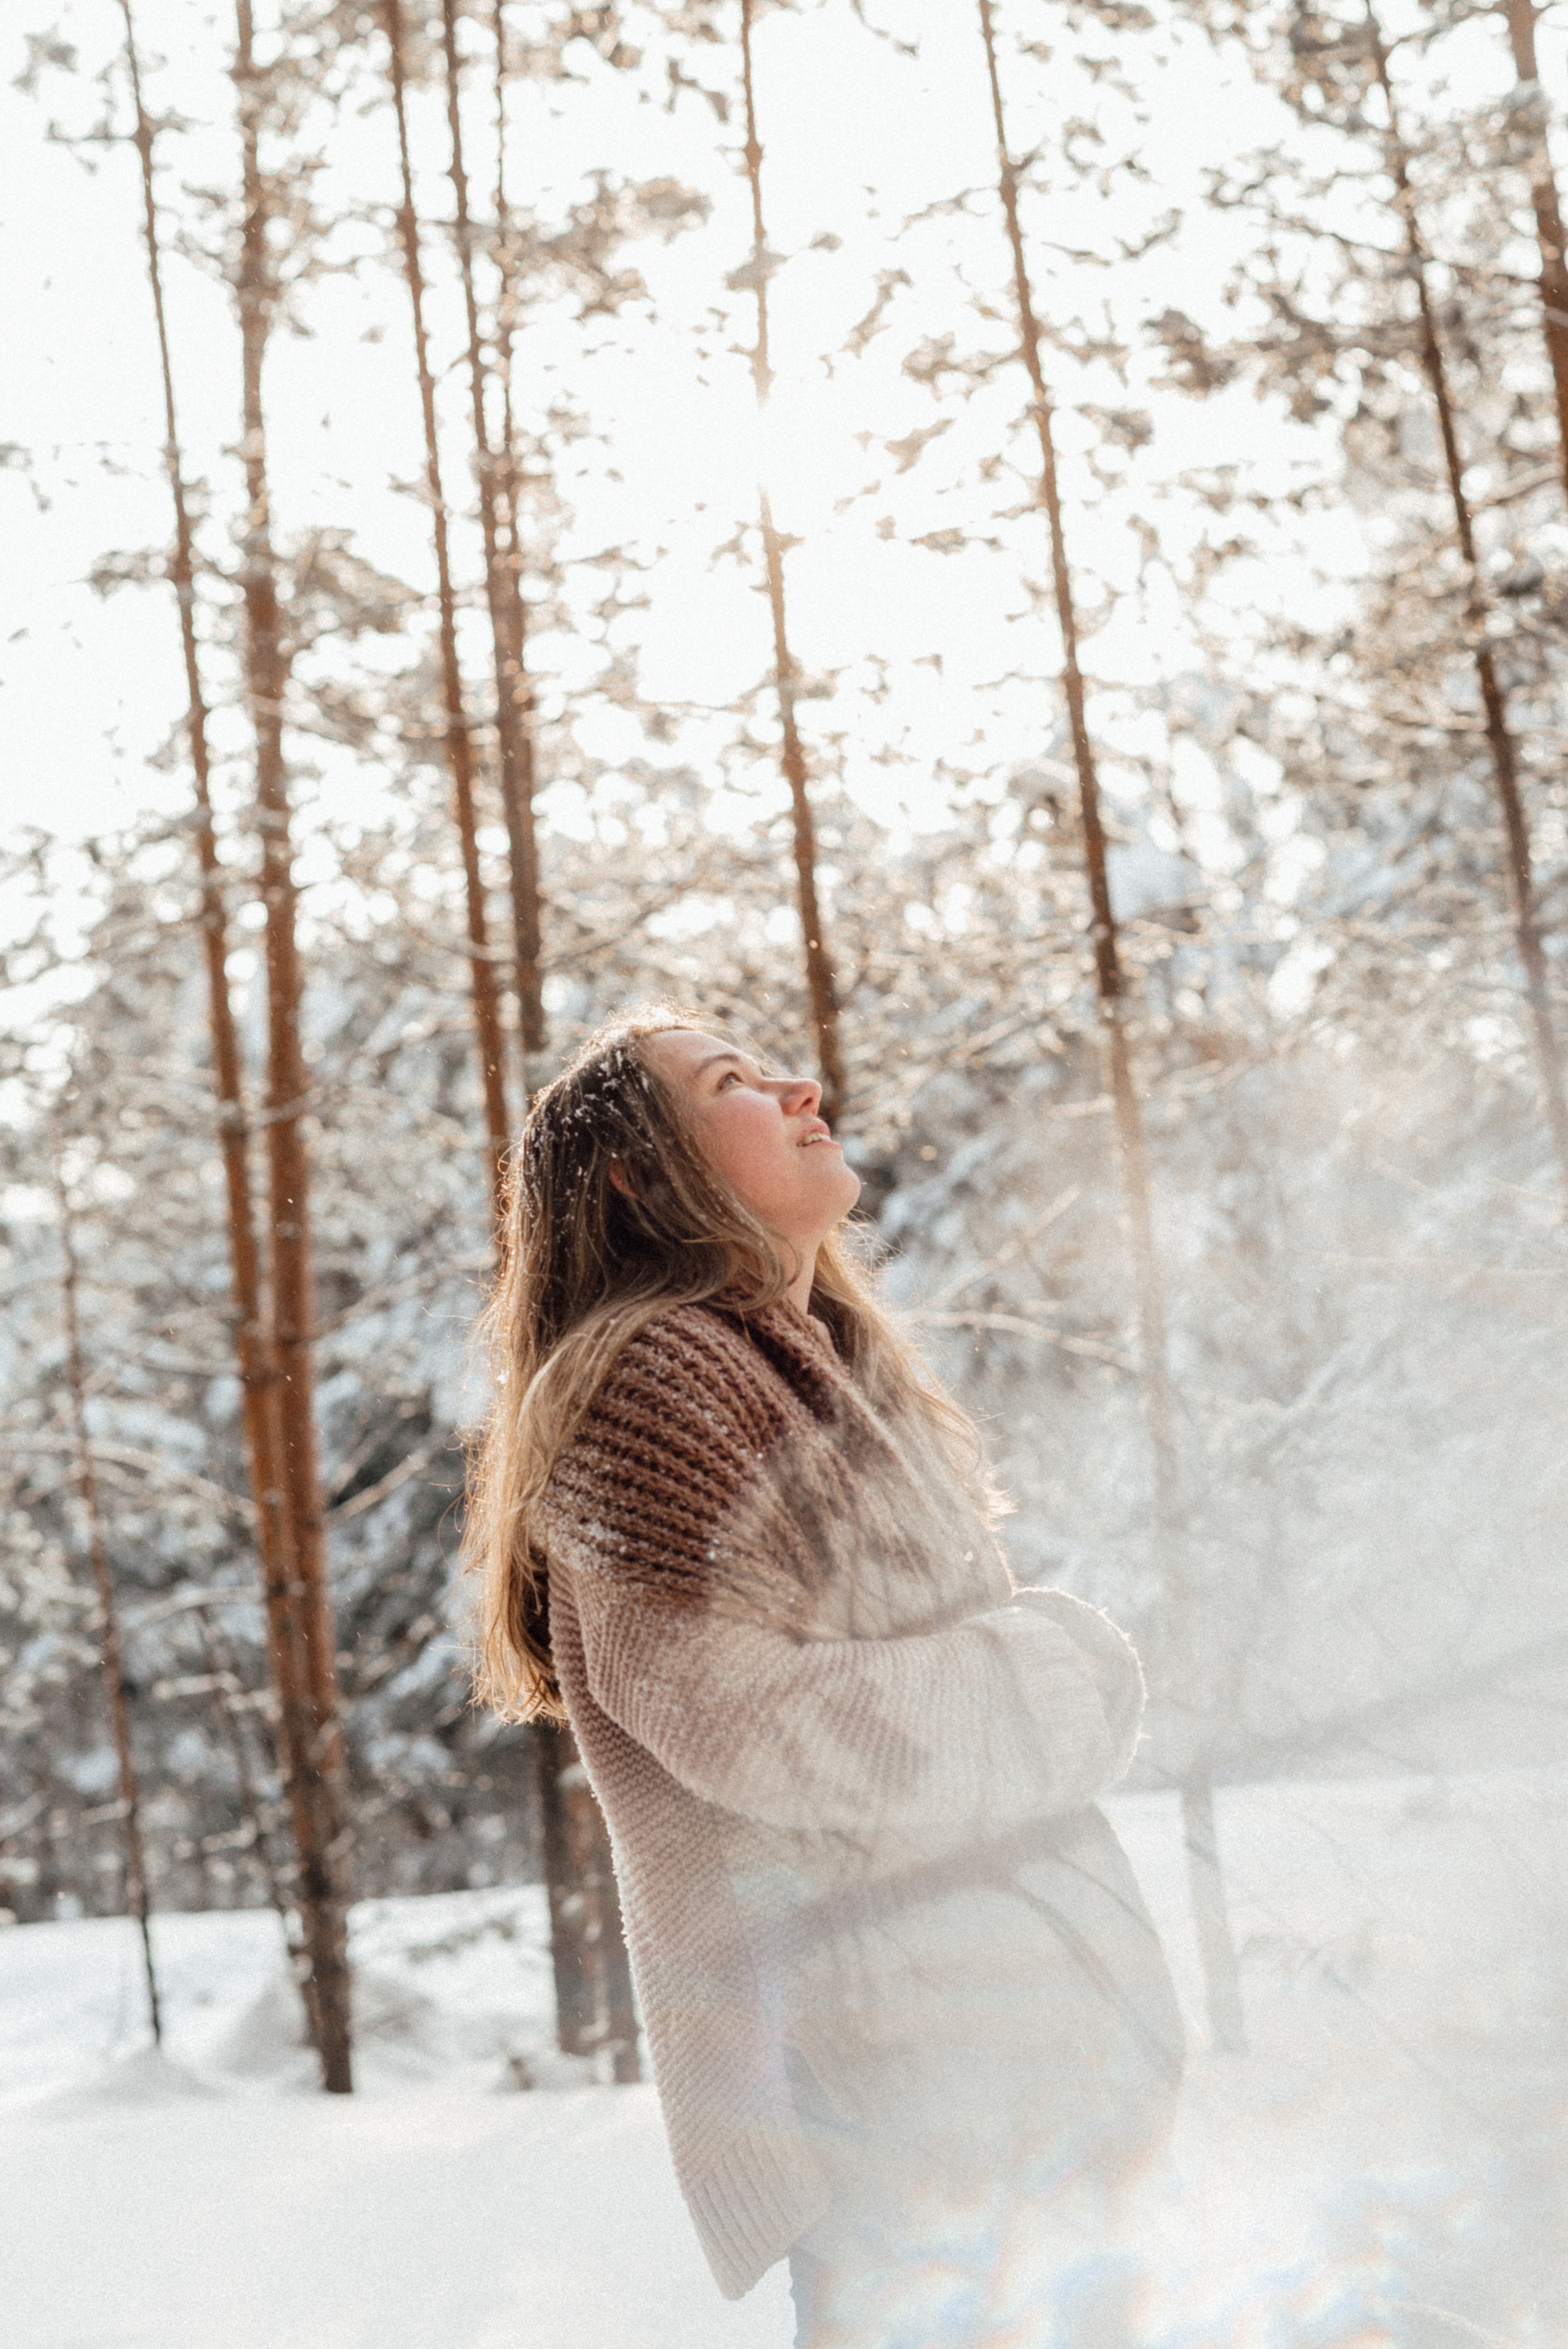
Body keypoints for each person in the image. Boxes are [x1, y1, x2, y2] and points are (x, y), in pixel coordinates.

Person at [466, 1009, 1184, 2348]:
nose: (800, 1087)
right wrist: (1058, 1670)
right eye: (731, 1084)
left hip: (1002, 2088)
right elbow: (754, 1726)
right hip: (897, 2108)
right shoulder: (649, 1382)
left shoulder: (818, 1367)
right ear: (633, 1177)